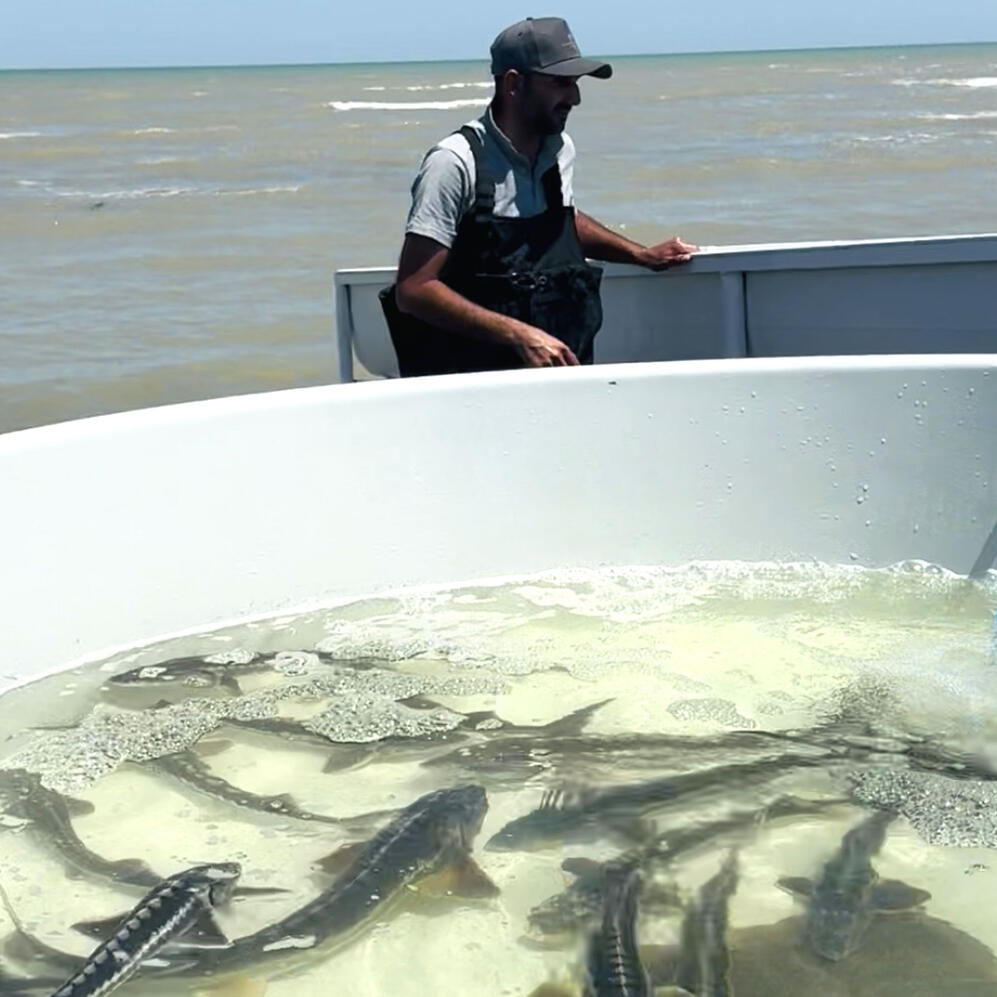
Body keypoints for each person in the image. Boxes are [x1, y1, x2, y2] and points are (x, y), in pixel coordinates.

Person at [380, 16, 697, 376]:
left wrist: (640, 254)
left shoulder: (560, 150)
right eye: (561, 83)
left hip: (560, 384)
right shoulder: (454, 163)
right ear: (514, 84)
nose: (574, 98)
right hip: (476, 392)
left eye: (576, 84)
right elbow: (414, 288)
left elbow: (561, 221)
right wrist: (518, 335)